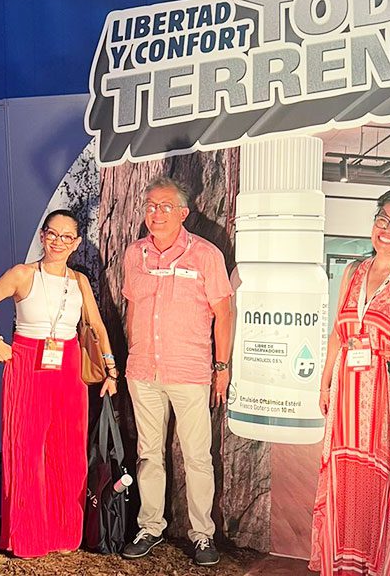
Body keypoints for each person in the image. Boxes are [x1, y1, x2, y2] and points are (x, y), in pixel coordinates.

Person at [310, 188, 390, 575]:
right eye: (383, 220)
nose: (387, 230)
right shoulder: (353, 271)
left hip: (389, 402)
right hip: (346, 398)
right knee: (346, 482)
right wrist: (325, 383)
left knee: (381, 485)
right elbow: (338, 333)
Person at [0, 209, 118, 558]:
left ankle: (64, 533)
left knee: (67, 450)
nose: (58, 242)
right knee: (26, 450)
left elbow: (97, 327)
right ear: (42, 236)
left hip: (69, 366)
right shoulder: (22, 274)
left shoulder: (79, 281)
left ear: (76, 243)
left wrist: (111, 370)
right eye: (53, 234)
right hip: (27, 363)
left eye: (67, 237)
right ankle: (28, 537)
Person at [120, 176, 233, 567]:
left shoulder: (205, 254)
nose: (157, 213)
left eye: (166, 206)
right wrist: (133, 353)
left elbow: (224, 313)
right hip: (143, 371)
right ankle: (149, 527)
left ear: (183, 213)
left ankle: (202, 535)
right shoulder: (135, 254)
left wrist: (222, 367)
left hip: (190, 371)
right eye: (151, 205)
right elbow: (132, 308)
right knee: (148, 454)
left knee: (198, 457)